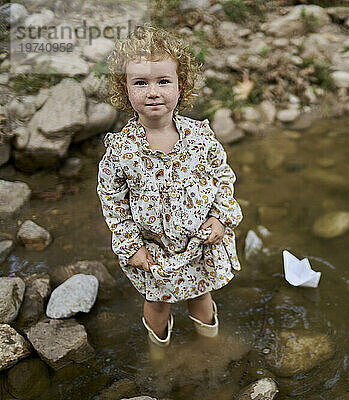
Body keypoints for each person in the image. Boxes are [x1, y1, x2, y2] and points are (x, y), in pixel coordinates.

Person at [97, 24, 243, 351]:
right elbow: (113, 204)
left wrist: (221, 218)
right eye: (141, 83)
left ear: (181, 86)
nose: (153, 92)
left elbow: (223, 179)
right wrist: (131, 246)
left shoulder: (201, 137)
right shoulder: (122, 152)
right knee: (157, 303)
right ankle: (158, 353)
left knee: (201, 295)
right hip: (153, 248)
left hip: (198, 241)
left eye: (163, 81)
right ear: (125, 89)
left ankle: (210, 348)